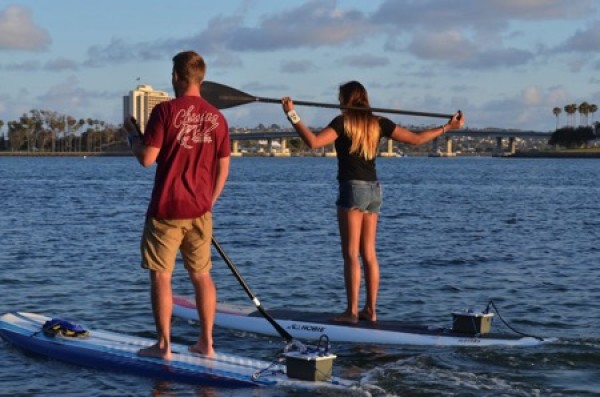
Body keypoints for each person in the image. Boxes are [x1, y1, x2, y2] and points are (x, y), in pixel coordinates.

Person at [281, 81, 464, 324]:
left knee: (350, 254)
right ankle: (371, 310)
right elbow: (417, 139)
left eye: (340, 98)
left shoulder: (342, 122)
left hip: (352, 189)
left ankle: (352, 312)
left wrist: (291, 114)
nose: (338, 102)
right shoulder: (379, 123)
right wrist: (447, 127)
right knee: (369, 254)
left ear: (347, 100)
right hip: (374, 190)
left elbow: (313, 142)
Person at [123, 50, 231, 359]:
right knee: (202, 276)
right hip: (200, 211)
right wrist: (207, 202)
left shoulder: (165, 111)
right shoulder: (218, 118)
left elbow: (147, 159)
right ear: (201, 78)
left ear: (175, 77)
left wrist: (132, 135)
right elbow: (223, 169)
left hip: (166, 210)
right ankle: (207, 344)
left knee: (161, 275)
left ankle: (163, 346)